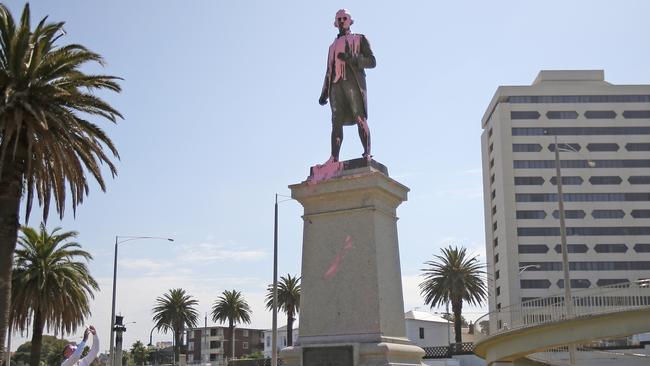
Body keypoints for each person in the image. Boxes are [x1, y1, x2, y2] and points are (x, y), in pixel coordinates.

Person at [319, 9, 376, 162]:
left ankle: (367, 153)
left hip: (353, 84)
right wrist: (324, 93)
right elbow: (329, 71)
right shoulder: (332, 47)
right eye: (339, 19)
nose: (342, 20)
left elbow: (372, 61)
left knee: (360, 117)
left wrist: (353, 58)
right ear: (335, 23)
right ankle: (334, 158)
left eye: (345, 18)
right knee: (336, 122)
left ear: (350, 21)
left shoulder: (359, 39)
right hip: (336, 86)